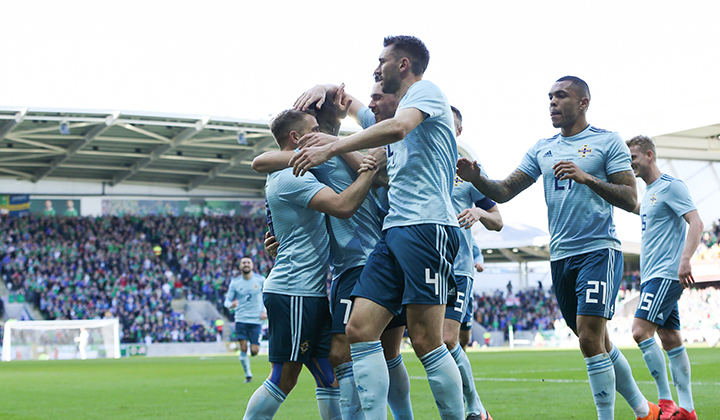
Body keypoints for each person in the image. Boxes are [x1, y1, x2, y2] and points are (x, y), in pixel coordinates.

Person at [456, 76, 660, 420]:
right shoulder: (542, 148)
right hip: (561, 256)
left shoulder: (607, 141)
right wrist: (478, 180)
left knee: (589, 338)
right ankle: (645, 411)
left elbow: (630, 198)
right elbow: (505, 190)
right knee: (598, 341)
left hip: (598, 250)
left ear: (583, 102)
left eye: (561, 96)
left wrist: (587, 178)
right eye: (550, 96)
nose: (552, 102)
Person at [291, 35, 464, 420]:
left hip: (427, 226)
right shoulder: (387, 115)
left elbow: (399, 127)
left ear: (403, 65)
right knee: (359, 330)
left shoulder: (426, 93)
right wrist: (325, 88)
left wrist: (332, 147)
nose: (376, 68)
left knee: (425, 341)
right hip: (394, 231)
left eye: (381, 61)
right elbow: (351, 104)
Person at [243, 108, 379, 420]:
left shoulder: (299, 171)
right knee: (284, 380)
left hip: (312, 293)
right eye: (313, 128)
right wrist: (370, 171)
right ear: (296, 137)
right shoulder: (292, 177)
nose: (319, 133)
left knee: (328, 374)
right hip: (293, 292)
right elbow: (343, 206)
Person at [627, 135, 703, 420]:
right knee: (670, 338)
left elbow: (696, 222)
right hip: (651, 276)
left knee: (639, 331)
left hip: (665, 274)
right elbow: (633, 206)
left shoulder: (672, 187)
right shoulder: (649, 194)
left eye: (633, 157)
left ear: (649, 155)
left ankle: (666, 403)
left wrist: (685, 260)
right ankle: (687, 410)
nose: (630, 163)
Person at [445, 105, 503, 420]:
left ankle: (474, 409)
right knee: (438, 344)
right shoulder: (417, 164)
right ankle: (466, 409)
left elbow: (498, 219)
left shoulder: (465, 174)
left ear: (458, 131)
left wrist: (479, 212)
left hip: (457, 268)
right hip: (420, 266)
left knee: (451, 341)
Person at [224, 256, 267, 384]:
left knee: (254, 351)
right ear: (240, 266)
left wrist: (265, 310)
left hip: (256, 320)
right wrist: (230, 304)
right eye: (244, 263)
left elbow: (266, 296)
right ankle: (248, 375)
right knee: (243, 347)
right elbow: (226, 301)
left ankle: (252, 350)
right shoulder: (235, 283)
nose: (246, 264)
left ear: (252, 265)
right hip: (241, 318)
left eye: (248, 262)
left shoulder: (260, 280)